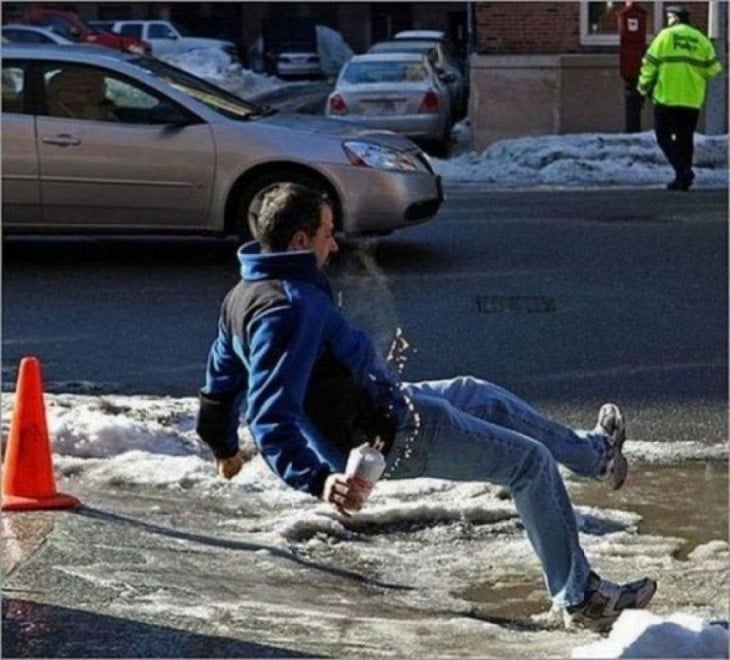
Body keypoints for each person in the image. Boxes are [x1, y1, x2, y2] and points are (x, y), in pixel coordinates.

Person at [196, 183, 657, 629]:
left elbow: (220, 385)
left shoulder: (245, 294)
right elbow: (270, 415)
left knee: (481, 397)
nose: (333, 245)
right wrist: (319, 481)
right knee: (529, 465)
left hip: (389, 408)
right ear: (299, 240)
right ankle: (581, 598)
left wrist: (221, 445)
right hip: (390, 435)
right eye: (326, 232)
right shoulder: (288, 309)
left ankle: (596, 456)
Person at [638, 4, 723, 191]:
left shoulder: (664, 37)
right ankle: (682, 179)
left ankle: (683, 171)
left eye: (669, 18)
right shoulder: (700, 40)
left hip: (667, 98)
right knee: (685, 139)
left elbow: (649, 65)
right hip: (691, 99)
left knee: (663, 136)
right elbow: (714, 69)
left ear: (674, 18)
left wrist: (643, 87)